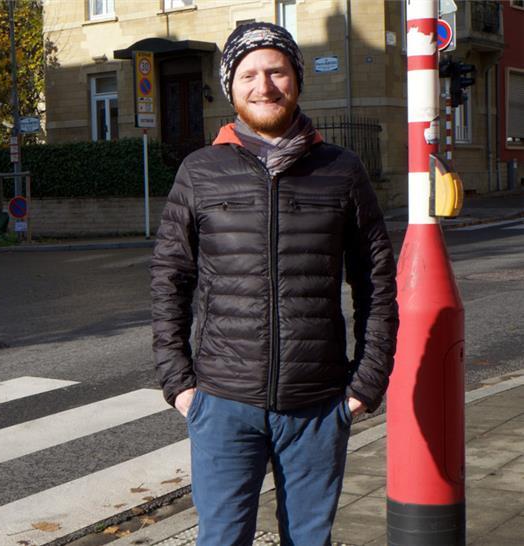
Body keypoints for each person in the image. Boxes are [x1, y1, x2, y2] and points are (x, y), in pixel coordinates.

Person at [150, 22, 398, 546]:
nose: (263, 86)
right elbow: (171, 280)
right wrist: (179, 383)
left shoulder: (342, 171)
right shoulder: (199, 172)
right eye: (248, 75)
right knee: (221, 539)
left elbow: (376, 281)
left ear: (296, 80)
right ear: (230, 88)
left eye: (276, 71)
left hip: (317, 404)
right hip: (222, 404)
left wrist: (366, 384)